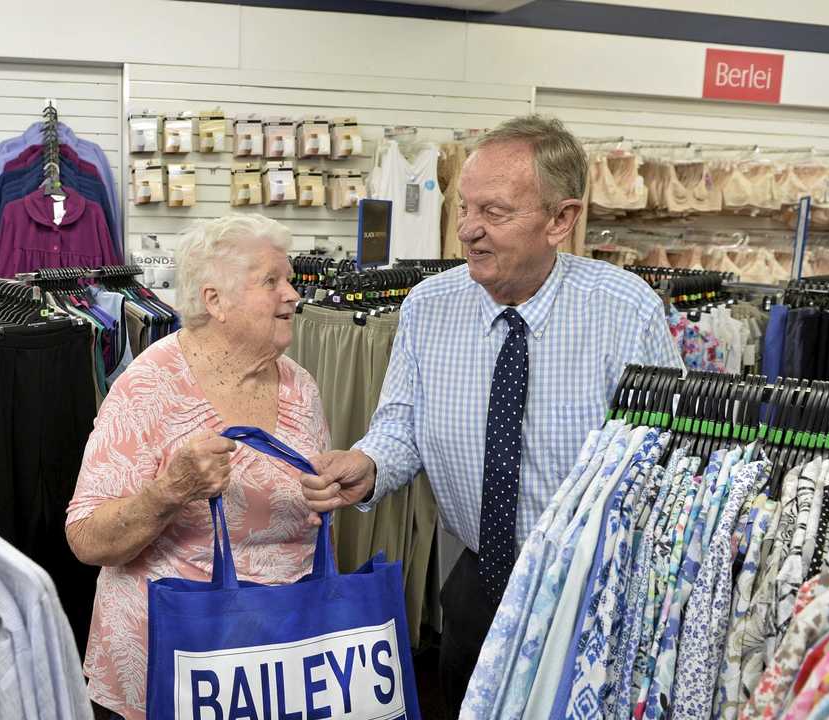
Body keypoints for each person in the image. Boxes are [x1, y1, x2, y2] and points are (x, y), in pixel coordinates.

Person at [298, 114, 684, 710]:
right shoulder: (428, 306)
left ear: (562, 219)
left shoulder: (623, 310)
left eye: (495, 213)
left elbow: (665, 459)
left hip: (587, 587)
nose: (469, 232)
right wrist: (369, 464)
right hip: (477, 579)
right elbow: (400, 423)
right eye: (464, 210)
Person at [65, 214, 331, 720]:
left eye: (290, 278)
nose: (293, 294)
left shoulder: (301, 386)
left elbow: (301, 508)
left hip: (279, 664)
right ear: (214, 300)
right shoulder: (149, 386)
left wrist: (324, 495)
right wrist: (169, 491)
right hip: (172, 664)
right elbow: (87, 539)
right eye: (271, 281)